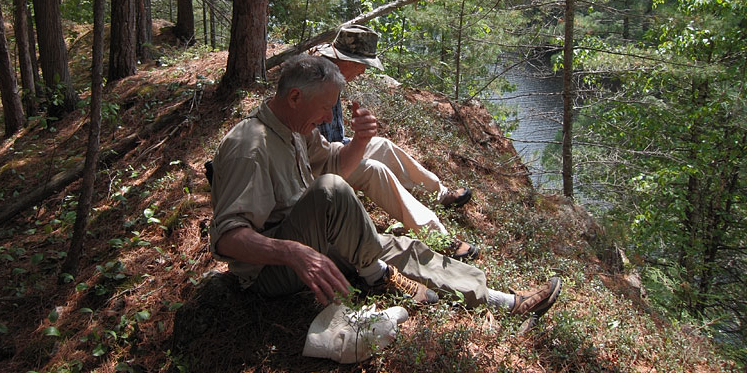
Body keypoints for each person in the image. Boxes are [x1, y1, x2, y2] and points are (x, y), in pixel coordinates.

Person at [207, 54, 561, 317]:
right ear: (295, 97)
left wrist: (360, 141)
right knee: (331, 190)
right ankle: (378, 277)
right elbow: (227, 238)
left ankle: (505, 301)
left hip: (310, 242)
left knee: (396, 244)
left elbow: (334, 163)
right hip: (269, 274)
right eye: (326, 108)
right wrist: (294, 253)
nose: (330, 118)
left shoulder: (295, 128)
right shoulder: (249, 147)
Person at [315, 24, 476, 260]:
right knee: (375, 171)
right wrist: (355, 144)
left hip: (335, 149)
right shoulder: (316, 85)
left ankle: (440, 194)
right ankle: (438, 237)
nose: (362, 73)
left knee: (383, 146)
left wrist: (359, 139)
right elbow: (315, 149)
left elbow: (334, 136)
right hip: (318, 167)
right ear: (347, 61)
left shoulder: (332, 78)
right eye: (362, 66)